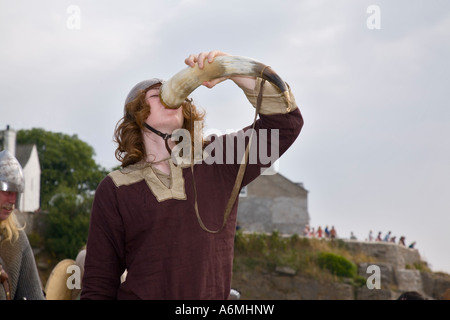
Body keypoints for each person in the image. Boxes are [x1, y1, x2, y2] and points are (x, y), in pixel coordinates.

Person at [80, 50, 303, 300]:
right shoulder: (115, 188)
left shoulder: (218, 160)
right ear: (136, 116)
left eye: (172, 92)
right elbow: (98, 287)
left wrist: (231, 71)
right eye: (155, 94)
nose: (168, 95)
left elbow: (285, 124)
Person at [0, 150, 45, 300]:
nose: (12, 199)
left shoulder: (16, 240)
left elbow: (33, 296)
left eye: (16, 192)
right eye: (7, 191)